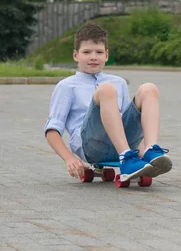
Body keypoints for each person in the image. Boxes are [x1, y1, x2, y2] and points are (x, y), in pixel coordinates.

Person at [44, 23, 172, 182]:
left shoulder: (119, 82)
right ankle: (126, 158)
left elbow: (126, 124)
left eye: (99, 52)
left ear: (106, 55)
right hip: (92, 146)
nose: (93, 57)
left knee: (149, 89)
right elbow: (52, 130)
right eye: (86, 52)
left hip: (121, 144)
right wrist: (69, 158)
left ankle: (150, 150)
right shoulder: (66, 86)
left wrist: (142, 159)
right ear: (76, 55)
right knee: (107, 90)